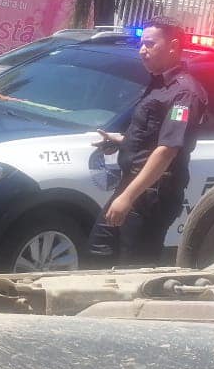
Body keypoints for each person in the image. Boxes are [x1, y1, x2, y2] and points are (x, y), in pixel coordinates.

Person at [87, 17, 207, 266]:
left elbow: (167, 150)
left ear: (173, 46)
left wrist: (127, 197)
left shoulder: (184, 93)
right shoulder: (159, 84)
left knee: (132, 270)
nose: (142, 50)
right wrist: (124, 141)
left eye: (150, 44)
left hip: (151, 195)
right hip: (134, 186)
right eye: (142, 44)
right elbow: (152, 138)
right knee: (99, 251)